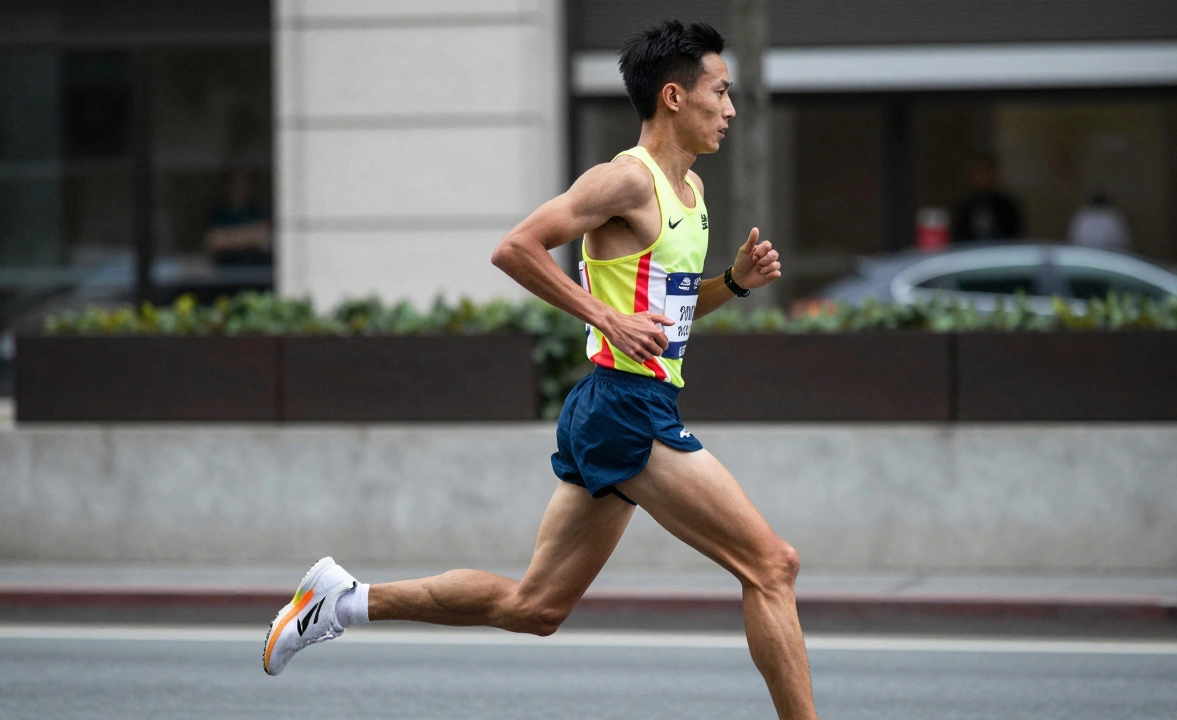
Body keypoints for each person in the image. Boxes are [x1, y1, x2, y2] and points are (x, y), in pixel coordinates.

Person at [262, 20, 818, 720]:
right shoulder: (624, 180)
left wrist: (731, 284)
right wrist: (603, 317)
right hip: (625, 407)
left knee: (536, 607)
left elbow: (663, 320)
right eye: (721, 91)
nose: (732, 108)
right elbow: (516, 248)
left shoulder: (692, 193)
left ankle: (340, 600)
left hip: (629, 402)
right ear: (674, 97)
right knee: (772, 566)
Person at [203, 169, 271, 267]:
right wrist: (250, 236)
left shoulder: (256, 211)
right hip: (226, 273)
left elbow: (264, 236)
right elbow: (213, 240)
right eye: (236, 184)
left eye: (244, 184)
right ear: (227, 187)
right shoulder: (219, 213)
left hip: (254, 272)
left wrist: (229, 238)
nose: (241, 189)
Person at [952, 154, 1022, 242]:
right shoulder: (965, 205)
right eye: (980, 172)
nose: (984, 177)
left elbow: (1014, 233)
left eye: (987, 171)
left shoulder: (1006, 204)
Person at [1067, 192, 1132, 252]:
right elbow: (1123, 242)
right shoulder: (1084, 216)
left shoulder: (1112, 216)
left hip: (1104, 256)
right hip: (1087, 254)